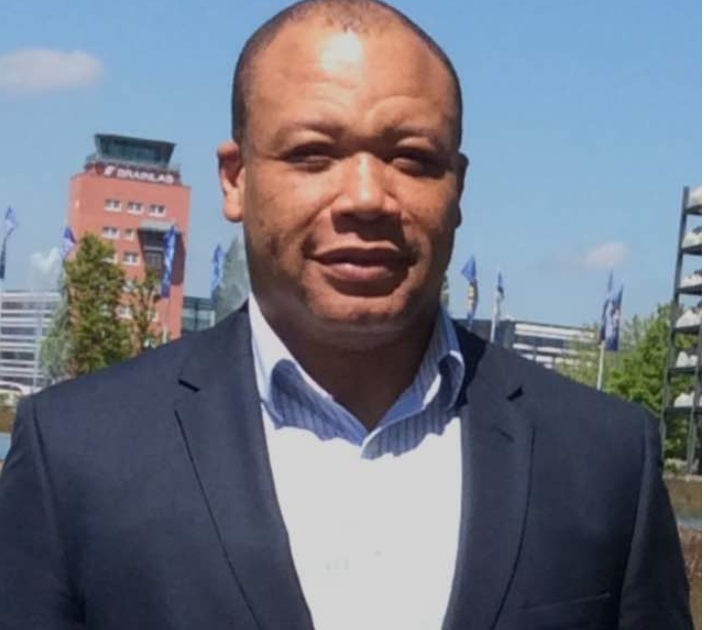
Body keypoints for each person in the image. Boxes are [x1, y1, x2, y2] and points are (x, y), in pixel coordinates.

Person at [0, 1, 693, 628]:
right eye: (313, 155)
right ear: (236, 180)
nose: (366, 197)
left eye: (411, 158)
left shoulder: (603, 459)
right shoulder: (76, 455)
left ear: (457, 186)